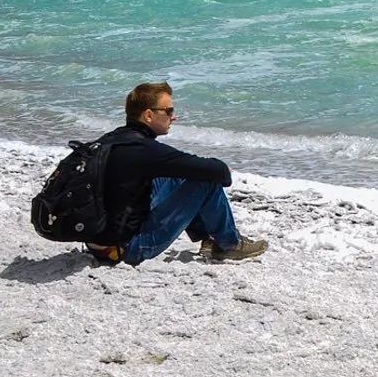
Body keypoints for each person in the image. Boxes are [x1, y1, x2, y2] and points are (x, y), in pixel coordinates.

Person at [85, 81, 267, 266]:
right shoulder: (146, 151)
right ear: (148, 115)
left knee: (178, 173)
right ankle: (230, 244)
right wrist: (221, 171)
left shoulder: (111, 140)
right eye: (169, 111)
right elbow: (218, 172)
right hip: (128, 248)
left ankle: (205, 237)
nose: (174, 117)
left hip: (99, 242)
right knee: (206, 180)